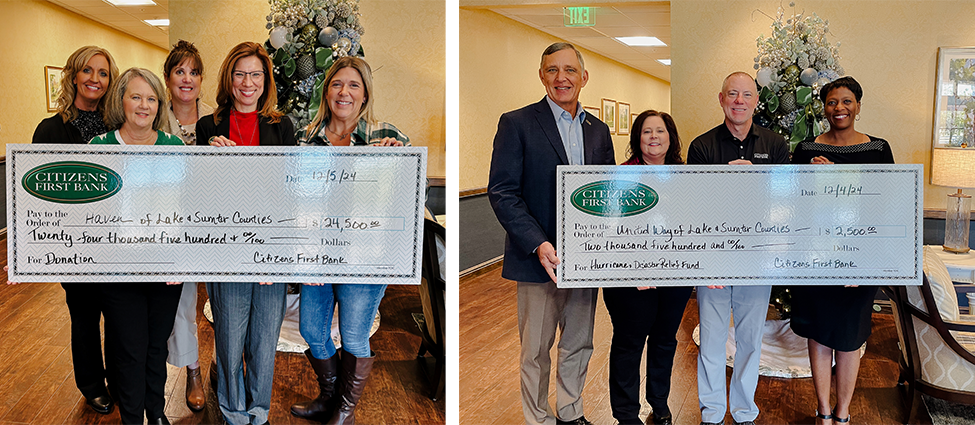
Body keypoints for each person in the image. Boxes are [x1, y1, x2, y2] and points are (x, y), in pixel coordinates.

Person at [487, 42, 615, 425]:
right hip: (537, 259)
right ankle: (538, 418)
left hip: (585, 260)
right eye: (552, 70)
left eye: (570, 70)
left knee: (579, 343)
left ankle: (571, 413)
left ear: (584, 77)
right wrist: (539, 243)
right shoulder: (517, 123)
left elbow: (607, 191)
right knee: (536, 350)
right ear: (541, 76)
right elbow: (503, 192)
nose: (562, 78)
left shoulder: (598, 130)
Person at [289, 56, 409, 425]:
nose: (344, 92)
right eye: (337, 84)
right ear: (326, 92)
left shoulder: (386, 136)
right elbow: (292, 197)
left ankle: (345, 410)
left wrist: (396, 164)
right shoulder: (306, 138)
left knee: (355, 334)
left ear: (365, 94)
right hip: (319, 253)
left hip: (366, 254)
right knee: (311, 328)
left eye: (353, 85)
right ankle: (329, 397)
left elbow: (408, 199)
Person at [197, 41, 295, 425]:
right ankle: (234, 414)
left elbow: (290, 191)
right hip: (226, 251)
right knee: (230, 340)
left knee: (263, 343)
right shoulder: (210, 126)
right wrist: (209, 159)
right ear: (229, 78)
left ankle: (260, 412)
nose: (247, 82)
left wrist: (283, 254)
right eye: (240, 74)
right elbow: (199, 195)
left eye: (256, 74)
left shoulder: (280, 125)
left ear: (265, 80)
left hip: (270, 249)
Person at [686, 71, 789, 425]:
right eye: (733, 94)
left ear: (756, 101)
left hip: (757, 256)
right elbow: (694, 205)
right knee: (712, 340)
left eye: (746, 95)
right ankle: (711, 413)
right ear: (721, 99)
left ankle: (745, 412)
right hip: (714, 258)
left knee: (750, 340)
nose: (739, 101)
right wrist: (725, 183)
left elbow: (783, 200)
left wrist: (756, 184)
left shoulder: (776, 145)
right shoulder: (701, 146)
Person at [789, 76, 893, 425]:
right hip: (814, 257)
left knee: (849, 338)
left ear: (858, 106)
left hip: (858, 259)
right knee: (819, 334)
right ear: (824, 108)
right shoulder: (805, 151)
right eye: (832, 102)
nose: (839, 109)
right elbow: (794, 204)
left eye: (847, 101)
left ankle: (843, 413)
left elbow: (885, 204)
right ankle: (822, 409)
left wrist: (839, 177)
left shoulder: (878, 149)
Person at [89, 67, 185, 425]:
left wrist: (182, 260)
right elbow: (83, 213)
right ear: (121, 100)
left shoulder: (174, 147)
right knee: (128, 349)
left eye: (152, 98)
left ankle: (156, 413)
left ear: (159, 105)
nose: (144, 105)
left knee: (155, 347)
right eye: (136, 96)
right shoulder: (99, 147)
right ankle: (132, 418)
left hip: (166, 269)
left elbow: (186, 208)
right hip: (117, 270)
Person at [29, 45, 119, 415]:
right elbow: (36, 195)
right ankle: (92, 384)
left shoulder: (117, 125)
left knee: (117, 315)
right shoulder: (50, 130)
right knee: (83, 315)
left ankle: (118, 377)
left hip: (115, 241)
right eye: (88, 71)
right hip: (73, 243)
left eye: (103, 73)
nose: (95, 80)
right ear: (73, 75)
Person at [605, 110, 691, 425]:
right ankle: (626, 413)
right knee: (629, 341)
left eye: (660, 131)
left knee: (665, 339)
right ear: (637, 139)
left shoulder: (686, 175)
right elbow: (609, 229)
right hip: (630, 280)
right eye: (646, 132)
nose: (653, 137)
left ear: (671, 137)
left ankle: (659, 403)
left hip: (674, 276)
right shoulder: (619, 175)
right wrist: (633, 268)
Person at [159, 39, 213, 412]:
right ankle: (191, 369)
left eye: (194, 71)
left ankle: (226, 373)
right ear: (168, 77)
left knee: (226, 304)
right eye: (180, 70)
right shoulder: (151, 114)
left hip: (215, 222)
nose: (187, 78)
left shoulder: (215, 117)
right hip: (169, 224)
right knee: (182, 299)